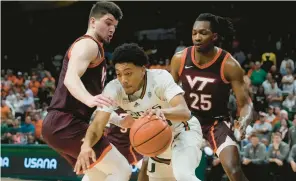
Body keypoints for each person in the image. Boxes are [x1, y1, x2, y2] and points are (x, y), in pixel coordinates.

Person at [74, 43, 203, 181]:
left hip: (183, 130)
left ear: (143, 70)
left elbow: (184, 112)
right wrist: (86, 146)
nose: (123, 79)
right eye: (119, 74)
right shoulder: (114, 89)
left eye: (128, 73)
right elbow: (97, 125)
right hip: (158, 142)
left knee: (183, 175)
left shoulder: (160, 78)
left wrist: (162, 113)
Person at [41, 2, 132, 181]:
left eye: (114, 25)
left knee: (97, 175)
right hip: (66, 124)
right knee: (122, 170)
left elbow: (92, 103)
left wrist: (116, 120)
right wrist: (89, 99)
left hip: (60, 125)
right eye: (108, 23)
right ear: (92, 21)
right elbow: (70, 78)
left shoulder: (97, 50)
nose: (112, 29)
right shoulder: (88, 44)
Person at [170, 13, 252, 181]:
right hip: (188, 120)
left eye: (203, 33)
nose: (197, 38)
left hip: (216, 122)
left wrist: (243, 122)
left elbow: (246, 104)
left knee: (234, 170)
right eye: (194, 33)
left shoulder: (229, 65)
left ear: (214, 36)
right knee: (166, 167)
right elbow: (167, 93)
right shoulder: (179, 59)